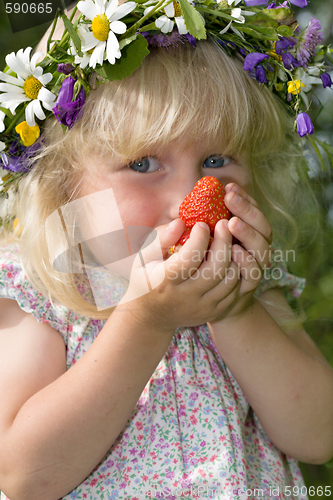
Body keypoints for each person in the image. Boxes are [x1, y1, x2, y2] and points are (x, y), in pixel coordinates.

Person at [0, 1, 333, 499]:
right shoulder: (49, 289)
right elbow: (24, 476)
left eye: (217, 159)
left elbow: (317, 434)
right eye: (143, 163)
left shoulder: (249, 283)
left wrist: (237, 307)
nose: (191, 193)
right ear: (67, 183)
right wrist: (145, 321)